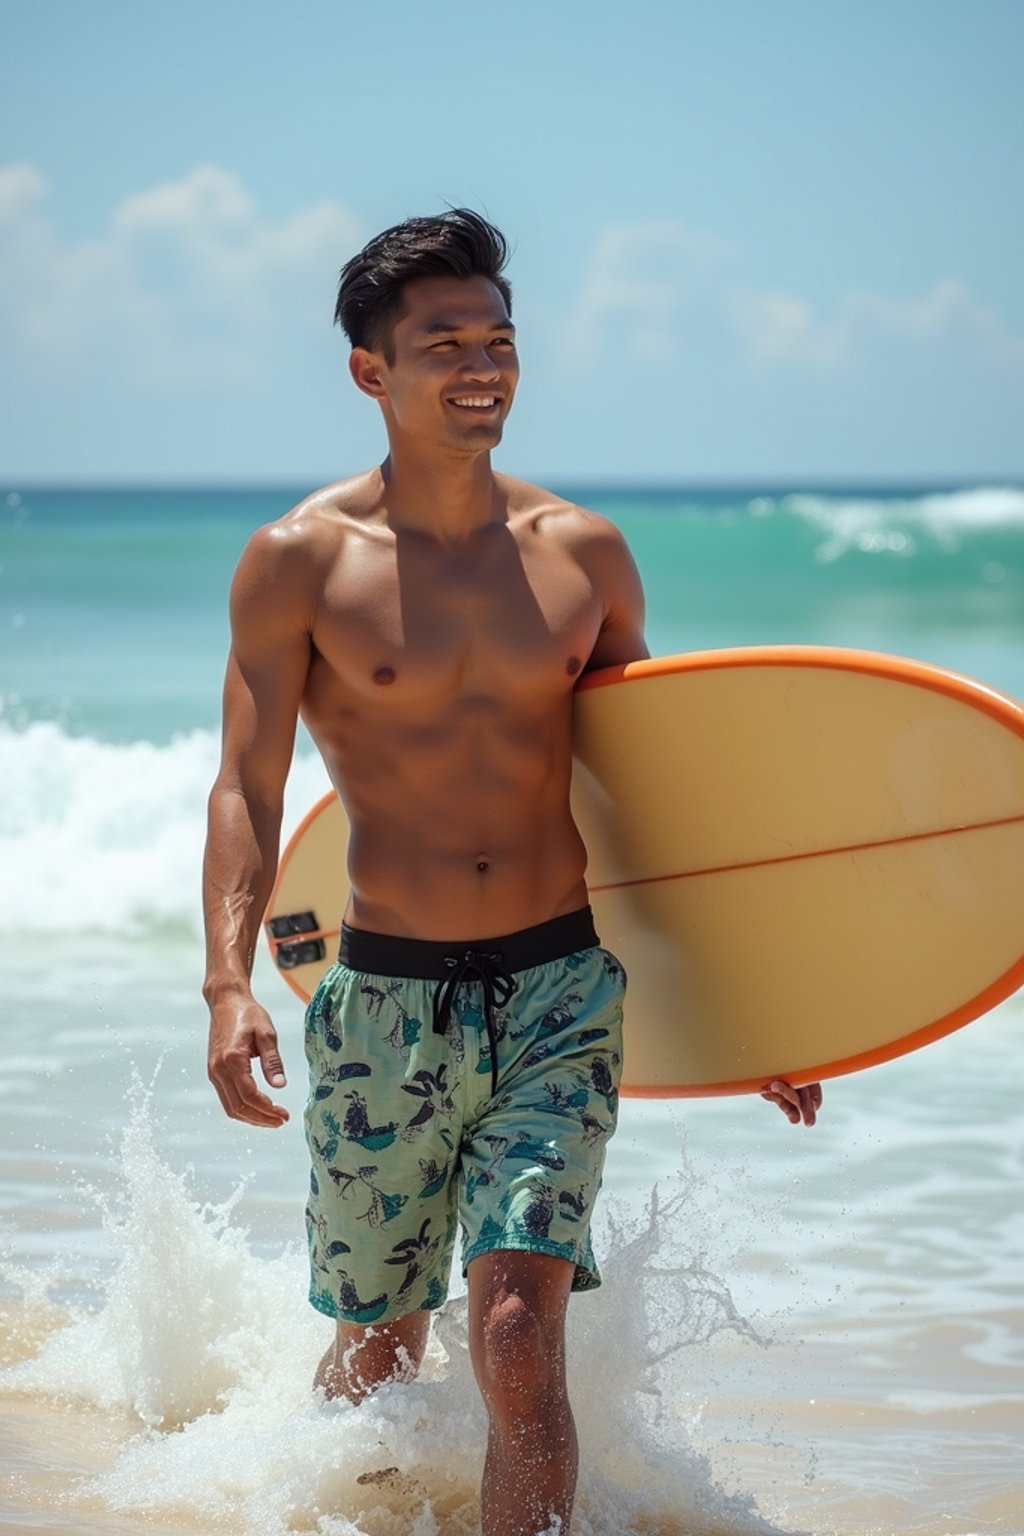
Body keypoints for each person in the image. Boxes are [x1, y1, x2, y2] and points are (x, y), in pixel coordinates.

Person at [203, 209, 822, 1536]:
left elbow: (658, 793)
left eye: (500, 339)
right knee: (380, 1347)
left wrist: (769, 1000)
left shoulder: (582, 554)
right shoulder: (298, 565)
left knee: (517, 1332)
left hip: (556, 992)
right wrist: (227, 986)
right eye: (446, 345)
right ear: (372, 371)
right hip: (380, 1004)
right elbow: (248, 789)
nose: (483, 366)